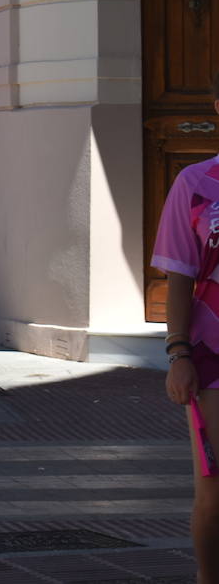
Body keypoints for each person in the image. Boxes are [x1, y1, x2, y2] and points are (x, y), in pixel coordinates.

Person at [152, 70, 219, 582]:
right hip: (212, 355)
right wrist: (178, 354)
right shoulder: (195, 184)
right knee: (214, 491)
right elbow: (179, 275)